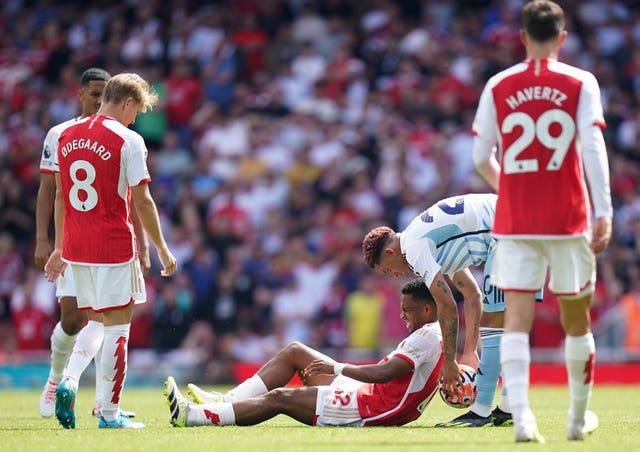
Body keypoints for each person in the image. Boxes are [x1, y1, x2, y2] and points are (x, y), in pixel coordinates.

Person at [472, 0, 613, 443]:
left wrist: (509, 188)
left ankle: (523, 420)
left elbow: (479, 158)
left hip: (516, 222)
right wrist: (604, 210)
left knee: (516, 320)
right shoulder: (580, 81)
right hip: (567, 217)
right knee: (577, 320)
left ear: (523, 36)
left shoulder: (498, 84)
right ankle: (576, 420)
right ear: (562, 37)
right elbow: (592, 148)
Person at [45, 72, 177, 429]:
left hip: (76, 247)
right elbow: (144, 200)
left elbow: (61, 195)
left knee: (96, 322)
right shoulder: (128, 140)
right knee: (118, 330)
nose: (136, 120)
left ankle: (70, 380)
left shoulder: (65, 135)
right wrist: (162, 249)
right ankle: (109, 414)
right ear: (127, 102)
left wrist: (59, 247)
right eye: (137, 111)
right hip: (114, 245)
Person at [164, 279, 443, 428]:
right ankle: (225, 400)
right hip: (366, 392)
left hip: (370, 408)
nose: (402, 314)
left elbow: (383, 374)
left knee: (280, 398)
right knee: (295, 351)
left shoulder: (427, 336)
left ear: (428, 310)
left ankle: (193, 416)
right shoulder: (435, 334)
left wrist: (335, 369)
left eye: (407, 310)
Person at [35, 67, 145, 420]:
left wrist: (140, 243)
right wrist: (45, 240)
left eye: (104, 93)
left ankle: (95, 400)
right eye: (94, 94)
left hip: (87, 242)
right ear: (81, 94)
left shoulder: (119, 135)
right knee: (77, 318)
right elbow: (52, 192)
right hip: (78, 242)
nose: (100, 100)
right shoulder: (61, 134)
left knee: (99, 319)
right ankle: (59, 381)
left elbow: (126, 198)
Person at [362, 193, 515, 427]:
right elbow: (471, 294)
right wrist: (469, 352)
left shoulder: (413, 248)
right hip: (512, 223)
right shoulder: (434, 242)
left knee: (495, 324)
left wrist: (450, 362)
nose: (394, 275)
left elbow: (446, 305)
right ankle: (508, 408)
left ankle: (484, 411)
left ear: (391, 253)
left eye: (387, 270)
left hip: (507, 230)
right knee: (505, 324)